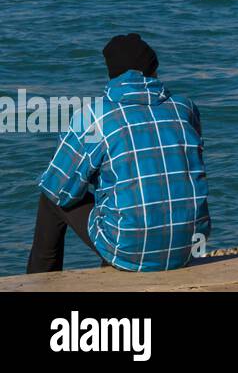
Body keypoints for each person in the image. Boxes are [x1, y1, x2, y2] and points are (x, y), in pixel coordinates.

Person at [27, 34, 210, 273]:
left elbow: (60, 187)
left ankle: (38, 285)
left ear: (112, 74)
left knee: (51, 195)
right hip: (189, 246)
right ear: (154, 70)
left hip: (130, 250)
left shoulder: (95, 116)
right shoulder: (185, 107)